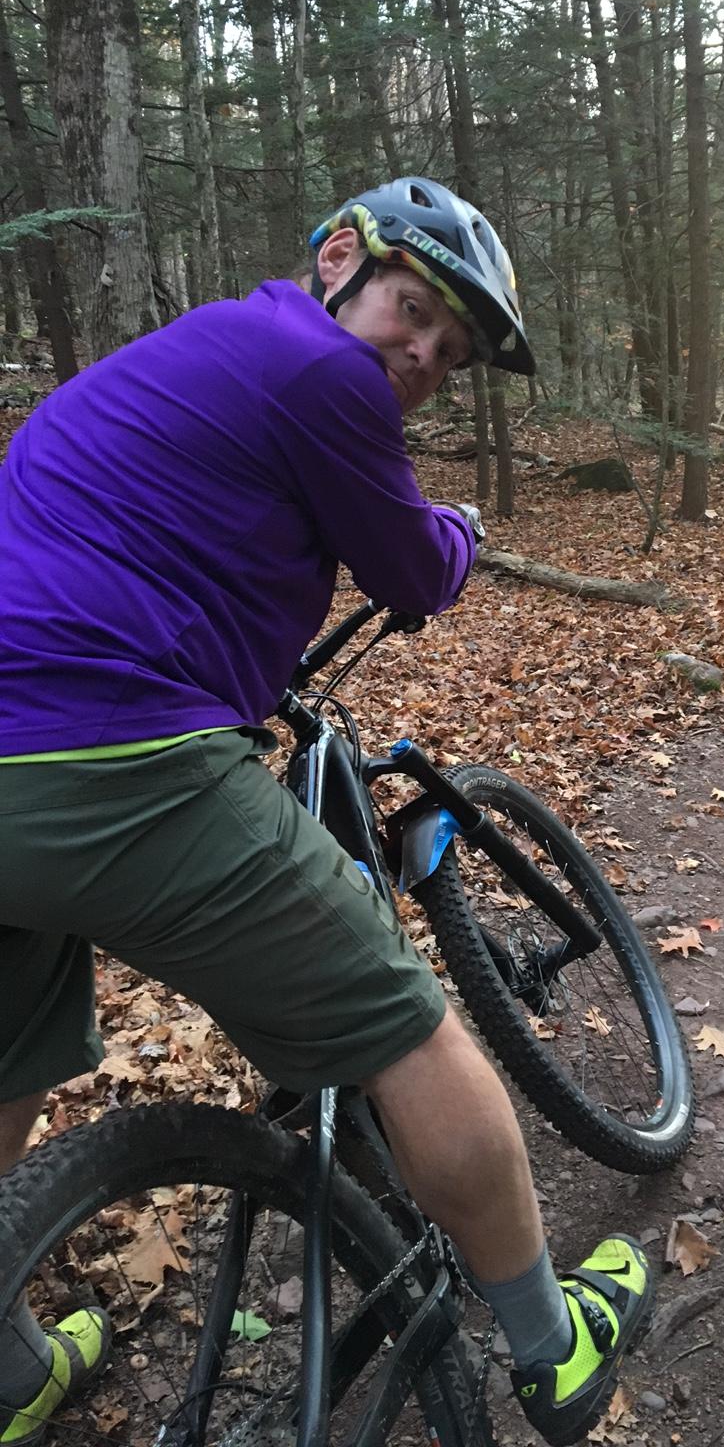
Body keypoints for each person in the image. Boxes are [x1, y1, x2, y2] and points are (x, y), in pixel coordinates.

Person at [0, 176, 652, 1446]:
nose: (422, 356)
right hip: (112, 758)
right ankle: (551, 1349)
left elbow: (150, 534)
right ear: (339, 259)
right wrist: (457, 527)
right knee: (408, 1025)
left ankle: (5, 1369)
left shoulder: (186, 358)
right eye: (417, 312)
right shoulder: (318, 369)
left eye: (448, 352)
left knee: (6, 1058)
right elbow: (411, 565)